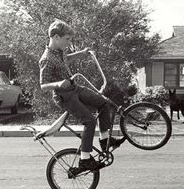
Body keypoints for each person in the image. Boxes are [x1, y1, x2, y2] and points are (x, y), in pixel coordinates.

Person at [39, 19, 123, 174]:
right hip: (64, 96)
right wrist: (58, 84)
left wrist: (83, 53)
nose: (69, 43)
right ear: (56, 37)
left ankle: (105, 140)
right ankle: (85, 159)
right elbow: (43, 85)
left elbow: (67, 59)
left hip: (75, 89)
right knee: (89, 121)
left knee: (103, 103)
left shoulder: (60, 51)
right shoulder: (46, 59)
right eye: (67, 39)